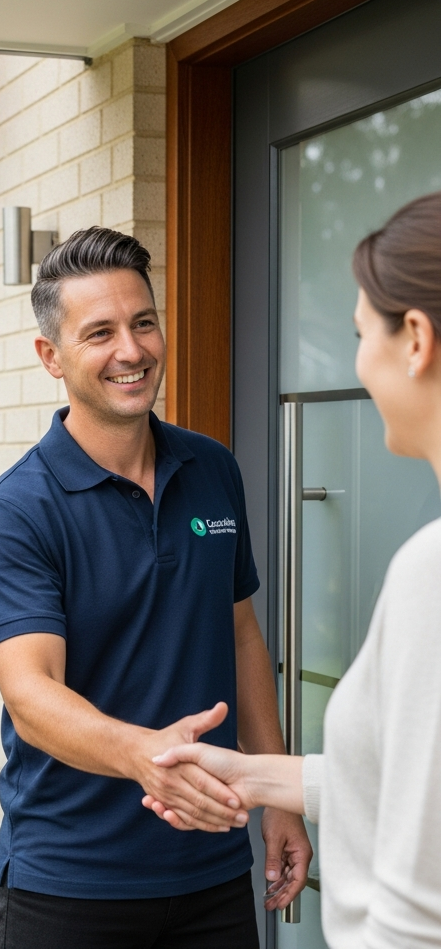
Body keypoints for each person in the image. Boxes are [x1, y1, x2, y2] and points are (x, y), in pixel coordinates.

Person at [0, 227, 311, 949]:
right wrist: (147, 759)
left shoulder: (213, 469)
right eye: (100, 333)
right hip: (70, 885)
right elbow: (32, 696)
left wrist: (279, 793)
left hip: (212, 871)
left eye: (143, 322)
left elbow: (240, 632)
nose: (132, 350)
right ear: (50, 357)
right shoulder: (17, 512)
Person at [146, 191, 441, 947]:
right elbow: (413, 787)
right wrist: (255, 779)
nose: (355, 363)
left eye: (357, 333)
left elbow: (417, 914)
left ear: (414, 338)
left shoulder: (430, 576)